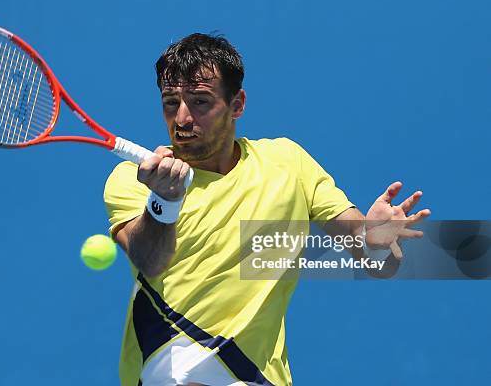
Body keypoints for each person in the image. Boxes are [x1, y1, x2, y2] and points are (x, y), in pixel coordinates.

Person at [103, 33, 430, 386]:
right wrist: (163, 201)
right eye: (170, 102)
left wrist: (375, 237)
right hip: (173, 363)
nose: (182, 118)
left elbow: (374, 260)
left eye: (199, 102)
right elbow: (149, 259)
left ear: (237, 104)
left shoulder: (287, 162)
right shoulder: (134, 180)